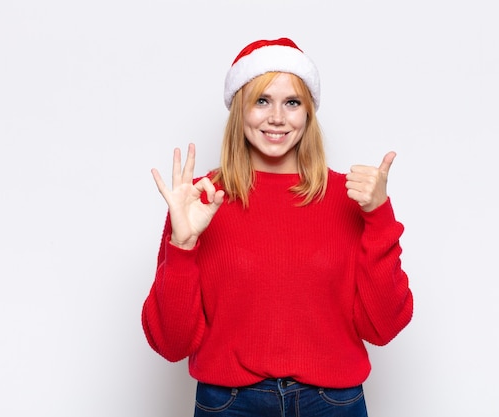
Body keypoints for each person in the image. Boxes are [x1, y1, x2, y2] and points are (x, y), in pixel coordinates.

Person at [142, 37, 413, 417]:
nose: (277, 118)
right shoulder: (201, 199)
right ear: (240, 110)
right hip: (230, 404)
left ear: (308, 113)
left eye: (292, 102)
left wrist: (380, 213)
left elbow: (383, 326)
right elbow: (171, 343)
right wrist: (181, 246)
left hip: (332, 403)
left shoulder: (349, 198)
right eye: (262, 101)